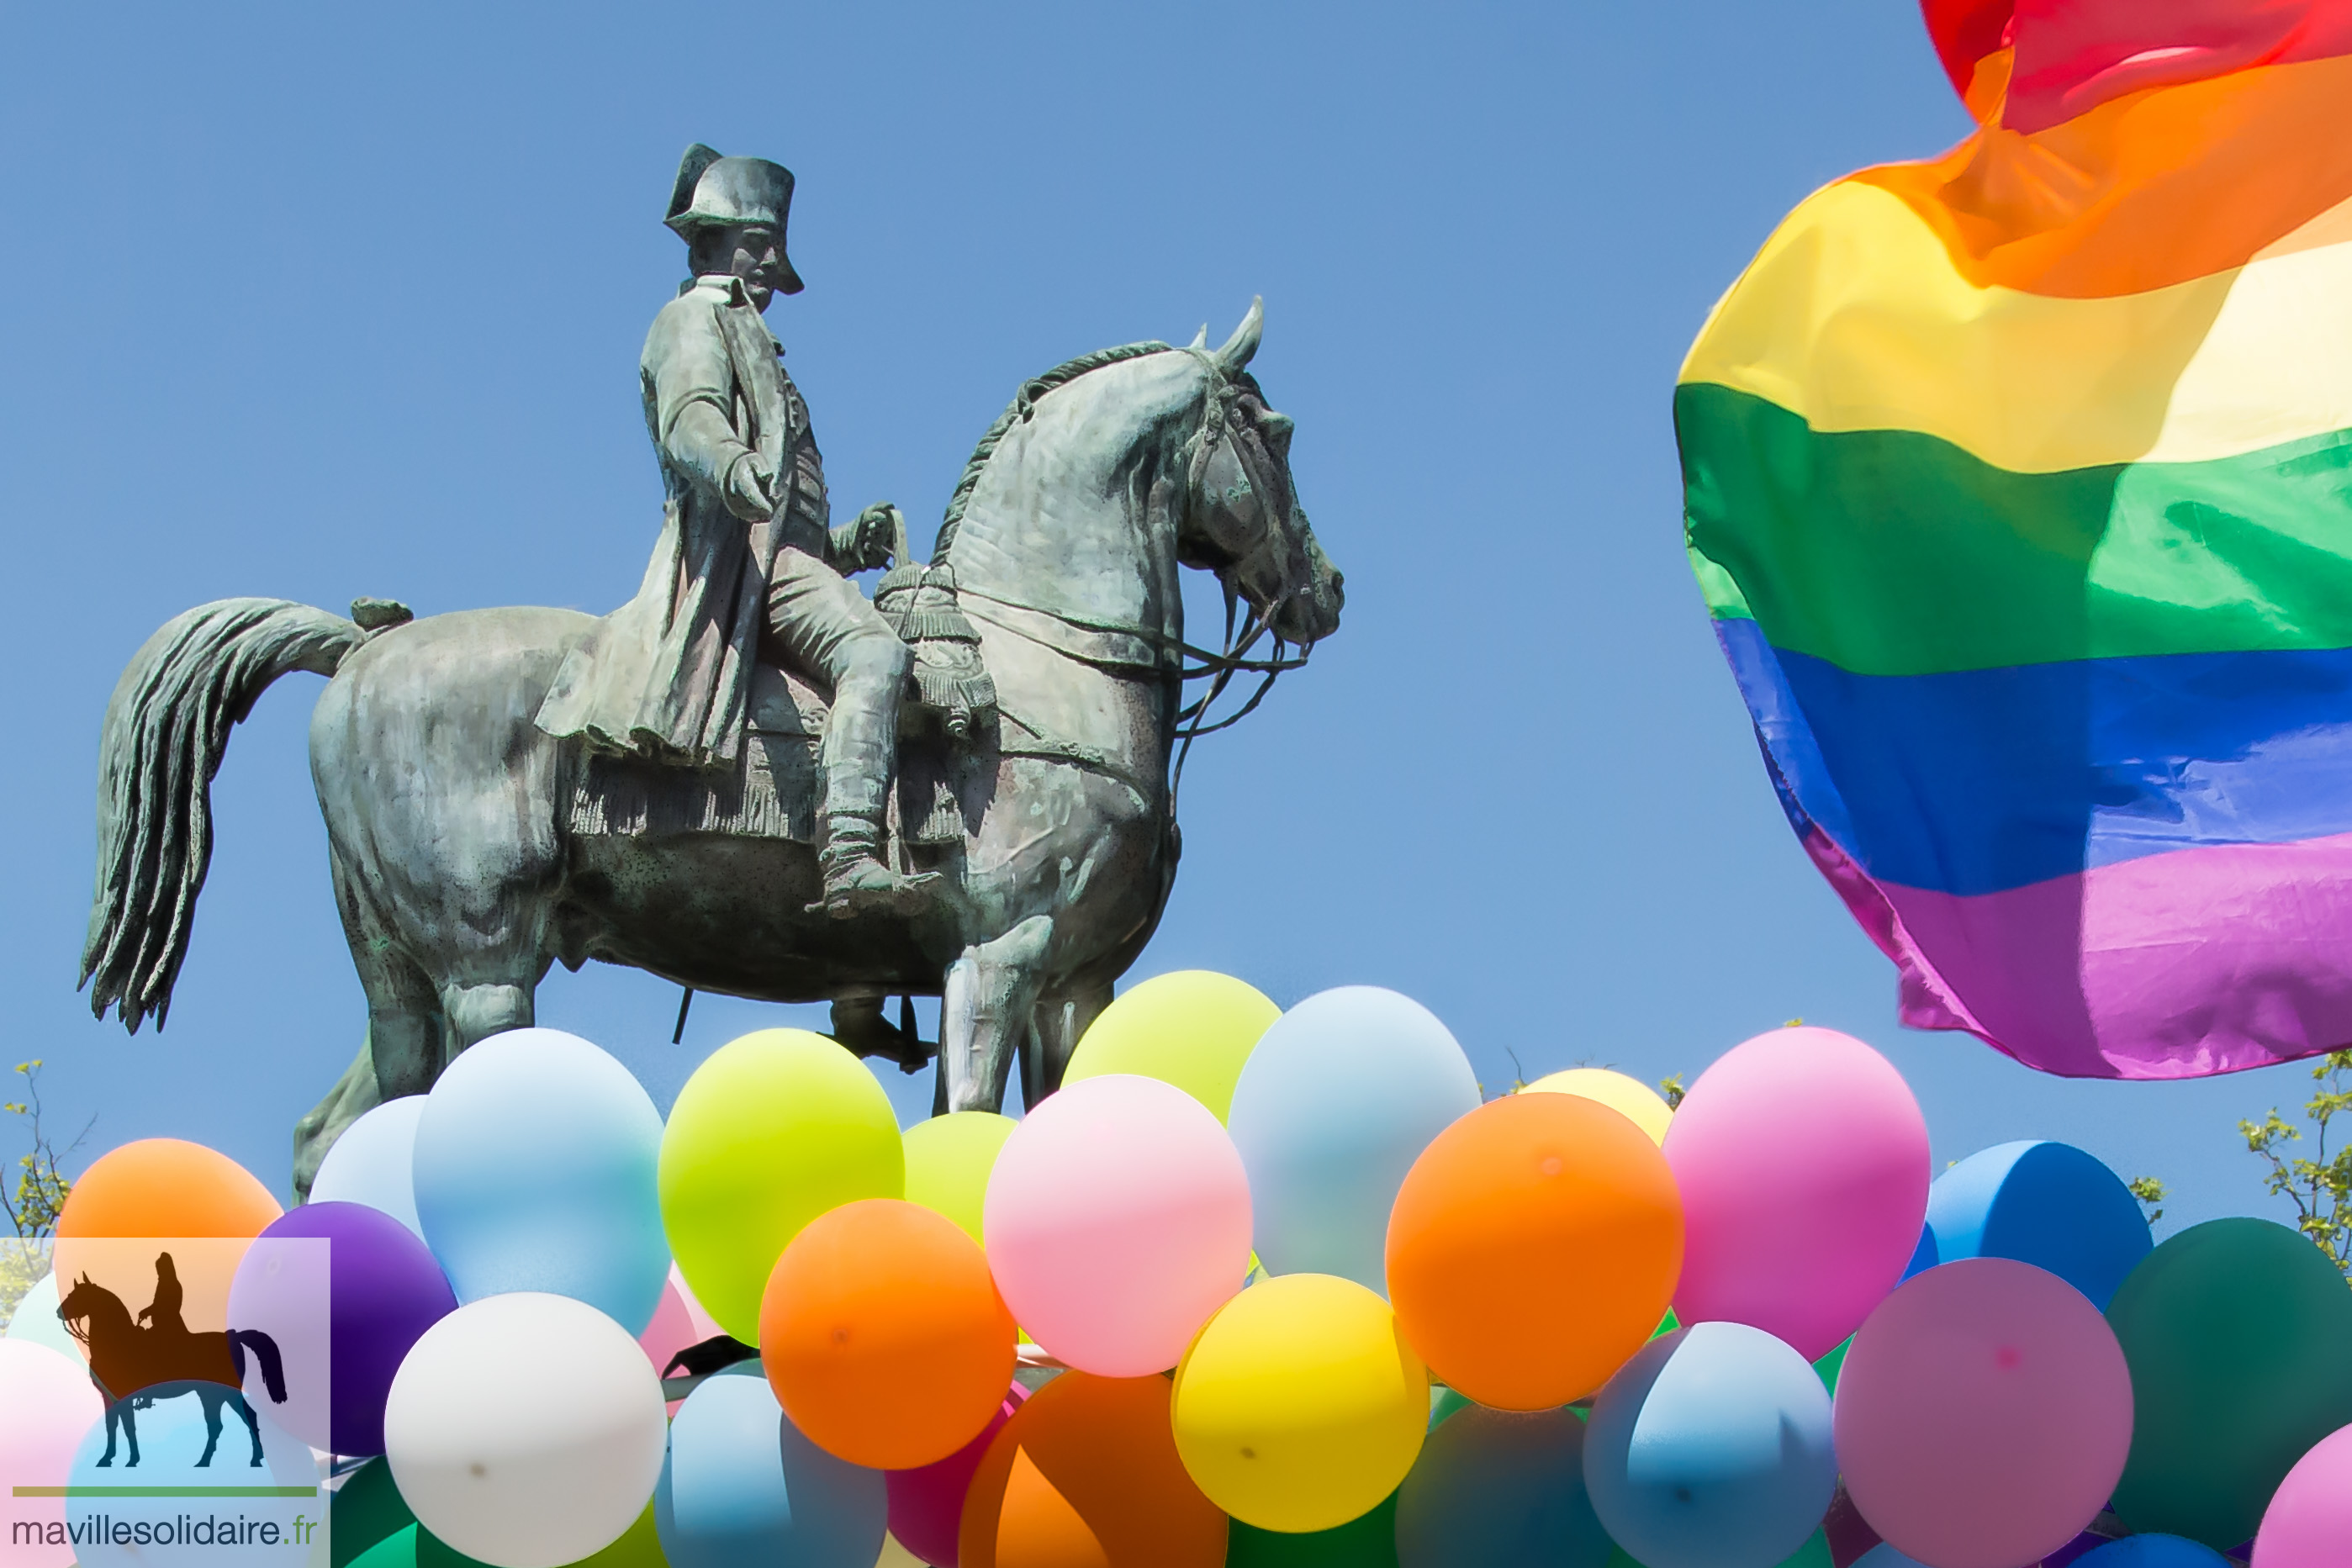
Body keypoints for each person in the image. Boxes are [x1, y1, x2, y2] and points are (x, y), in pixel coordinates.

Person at [538, 144, 935, 915]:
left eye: (774, 254)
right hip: (744, 562)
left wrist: (851, 542)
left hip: (782, 559)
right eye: (755, 248)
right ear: (707, 245)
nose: (766, 267)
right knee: (878, 653)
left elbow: (796, 518)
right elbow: (690, 418)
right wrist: (730, 467)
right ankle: (850, 851)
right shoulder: (693, 319)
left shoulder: (760, 343)